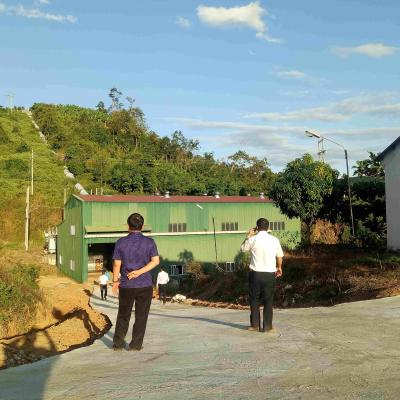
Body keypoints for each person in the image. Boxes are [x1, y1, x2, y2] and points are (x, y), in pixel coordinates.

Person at [111, 213, 160, 351]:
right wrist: (140, 272)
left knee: (123, 314)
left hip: (126, 285)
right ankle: (136, 344)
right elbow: (155, 261)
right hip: (145, 285)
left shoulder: (121, 242)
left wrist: (115, 281)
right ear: (142, 226)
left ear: (128, 226)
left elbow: (116, 264)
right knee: (141, 316)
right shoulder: (150, 242)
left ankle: (118, 344)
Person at [240, 218, 284, 333]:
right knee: (268, 300)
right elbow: (279, 256)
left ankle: (254, 325)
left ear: (257, 227)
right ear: (268, 227)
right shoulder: (274, 240)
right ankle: (267, 326)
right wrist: (279, 267)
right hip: (270, 274)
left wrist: (248, 235)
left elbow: (243, 249)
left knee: (254, 299)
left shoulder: (253, 239)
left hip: (255, 274)